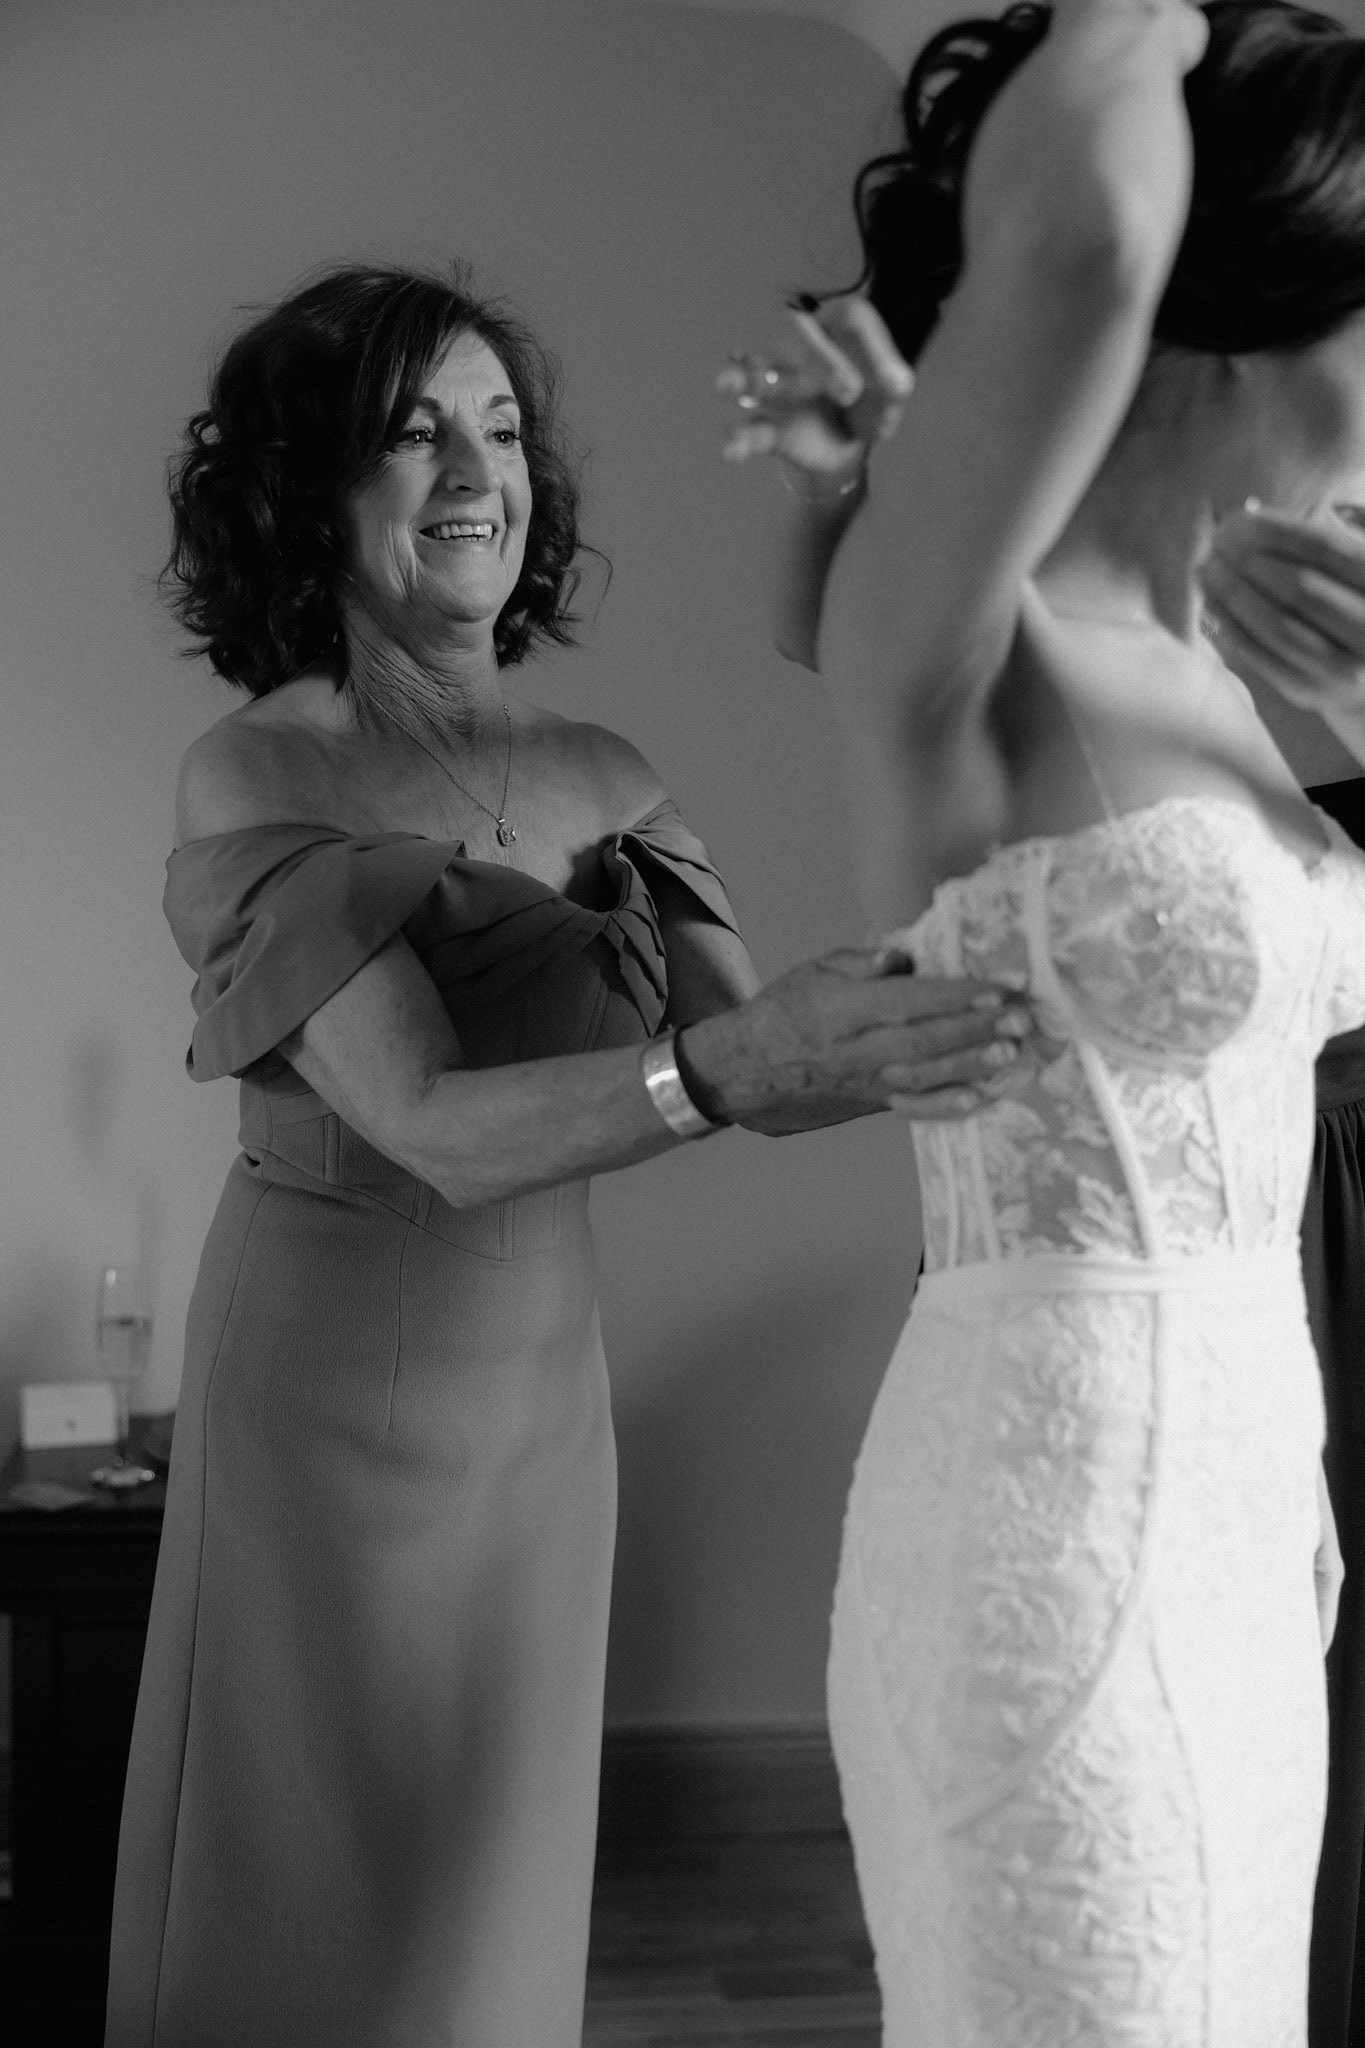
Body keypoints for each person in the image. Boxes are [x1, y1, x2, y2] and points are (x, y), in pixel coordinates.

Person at [102, 262, 1037, 2048]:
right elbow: (433, 1128)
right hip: (322, 1392)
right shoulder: (256, 773)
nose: (479, 472)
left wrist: (977, 1001)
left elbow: (770, 1066)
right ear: (307, 488)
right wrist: (742, 1057)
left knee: (490, 1889)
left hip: (541, 1398)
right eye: (415, 432)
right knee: (319, 1886)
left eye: (504, 429)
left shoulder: (607, 768)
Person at [725, 0, 1365, 2039]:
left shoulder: (1230, 682)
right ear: (1241, 317)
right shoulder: (963, 637)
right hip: (1053, 1528)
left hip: (1251, 1534)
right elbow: (1080, 240)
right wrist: (1143, 14)